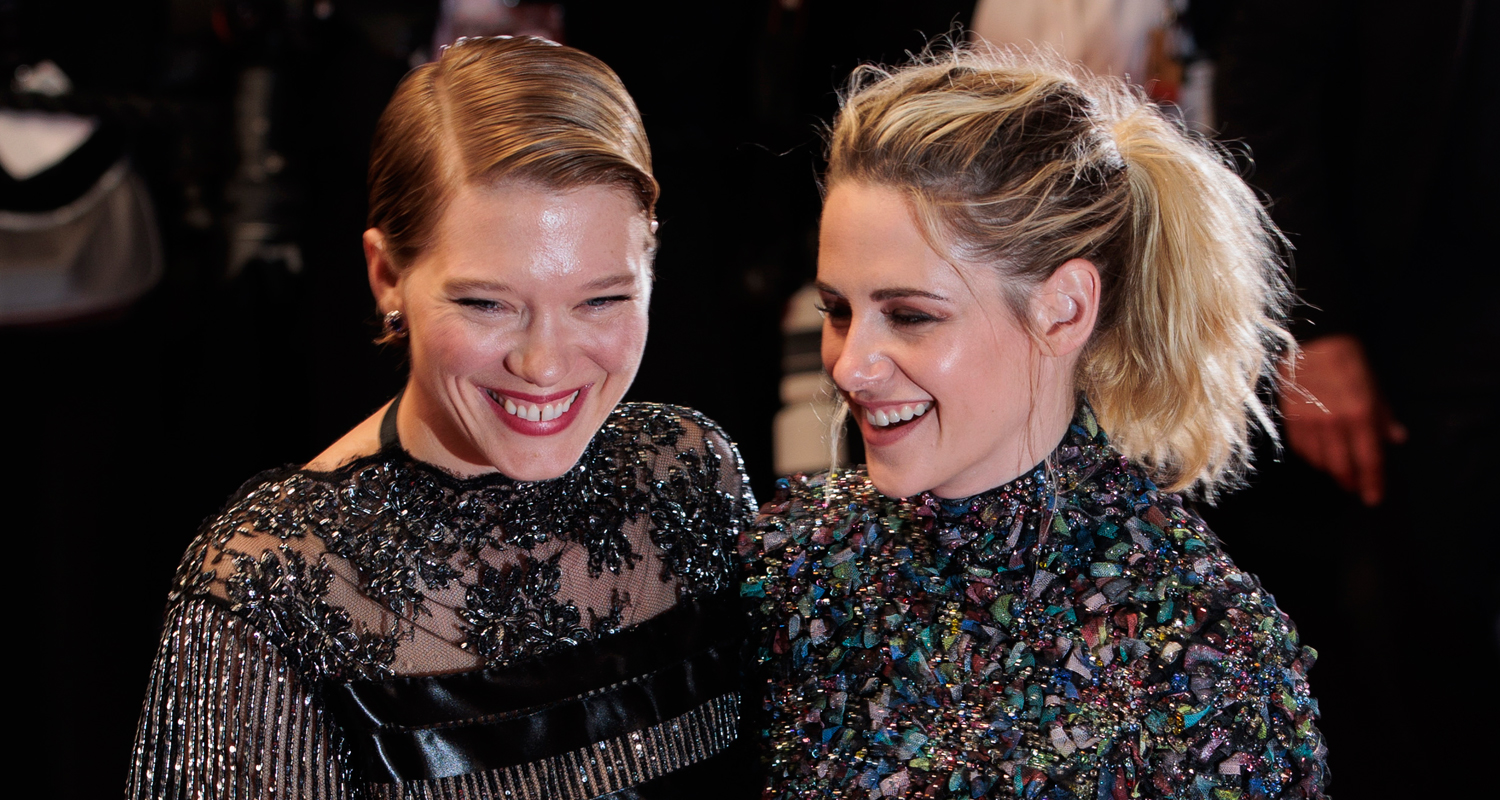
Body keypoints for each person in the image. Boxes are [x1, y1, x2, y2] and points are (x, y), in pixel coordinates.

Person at [127, 36, 756, 800]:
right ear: (387, 274)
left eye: (602, 299)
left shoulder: (688, 470)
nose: (545, 363)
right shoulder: (270, 581)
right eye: (486, 303)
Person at [739, 49, 1329, 799]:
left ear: (1065, 309)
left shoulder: (1198, 651)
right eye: (839, 311)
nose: (851, 367)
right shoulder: (792, 565)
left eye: (911, 316)